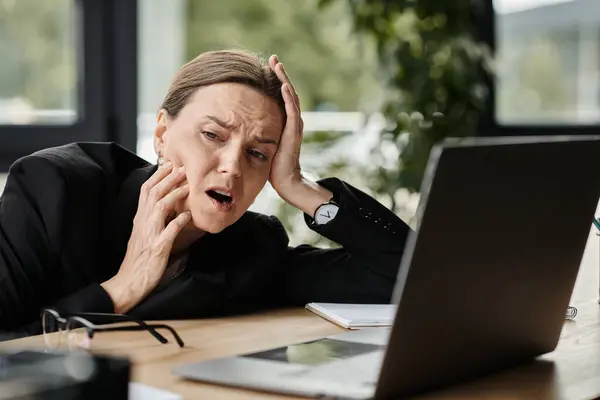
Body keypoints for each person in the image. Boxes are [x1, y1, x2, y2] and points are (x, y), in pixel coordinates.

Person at [0, 50, 410, 340]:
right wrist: (119, 290)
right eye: (212, 135)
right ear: (162, 133)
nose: (233, 165)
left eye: (258, 153)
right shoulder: (56, 188)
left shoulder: (253, 246)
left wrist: (300, 187)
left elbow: (404, 274)